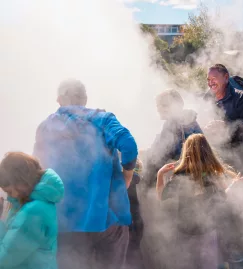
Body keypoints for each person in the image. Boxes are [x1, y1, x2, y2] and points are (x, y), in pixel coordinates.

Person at [33, 79, 138, 269]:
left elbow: (36, 169)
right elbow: (129, 145)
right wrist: (127, 176)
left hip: (65, 222)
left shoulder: (45, 128)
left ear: (59, 99)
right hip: (108, 218)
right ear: (85, 98)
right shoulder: (103, 119)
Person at [156, 134, 243, 268]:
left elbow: (161, 197)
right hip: (207, 231)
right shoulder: (211, 174)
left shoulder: (180, 175)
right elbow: (223, 196)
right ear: (208, 151)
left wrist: (160, 175)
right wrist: (233, 184)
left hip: (184, 231)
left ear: (186, 151)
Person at [0, 152, 64, 269]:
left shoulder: (34, 211)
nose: (9, 197)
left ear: (21, 182)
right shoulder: (27, 204)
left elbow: (5, 260)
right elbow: (9, 243)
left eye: (9, 192)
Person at [144, 89, 202, 188]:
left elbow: (158, 155)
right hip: (190, 173)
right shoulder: (186, 120)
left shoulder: (175, 124)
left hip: (183, 177)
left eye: (164, 105)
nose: (159, 109)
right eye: (158, 105)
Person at [204, 64, 243, 146]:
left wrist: (227, 125)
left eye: (214, 79)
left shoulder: (242, 97)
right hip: (218, 151)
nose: (210, 83)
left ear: (226, 77)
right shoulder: (209, 100)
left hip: (241, 152)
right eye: (208, 80)